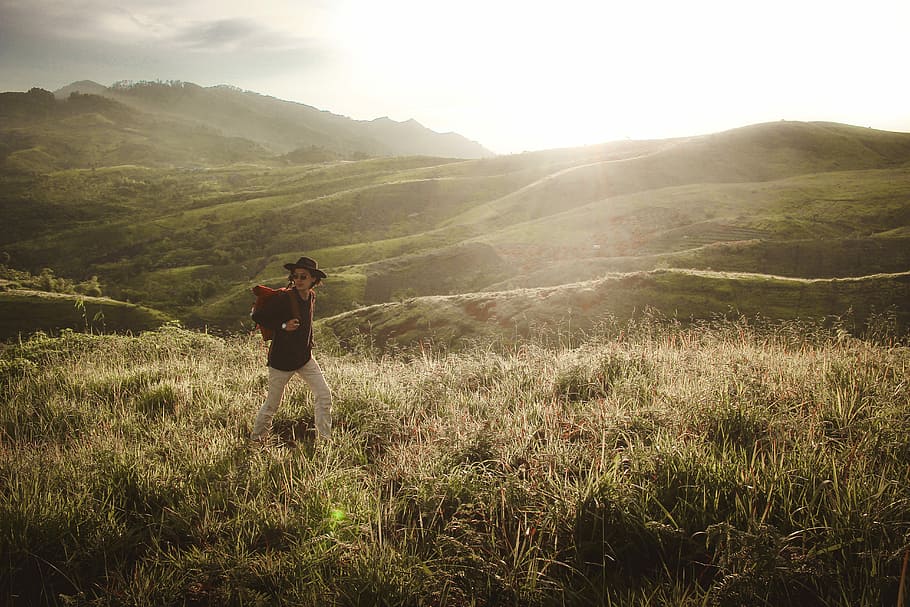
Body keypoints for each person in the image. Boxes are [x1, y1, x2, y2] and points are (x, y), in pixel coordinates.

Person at [250, 256, 332, 442]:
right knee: (272, 404)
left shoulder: (311, 296)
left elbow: (307, 324)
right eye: (295, 276)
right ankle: (257, 440)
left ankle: (325, 440)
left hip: (304, 358)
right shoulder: (284, 298)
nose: (298, 280)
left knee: (324, 395)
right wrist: (283, 326)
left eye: (303, 276)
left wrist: (309, 342)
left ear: (313, 280)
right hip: (281, 361)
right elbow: (259, 316)